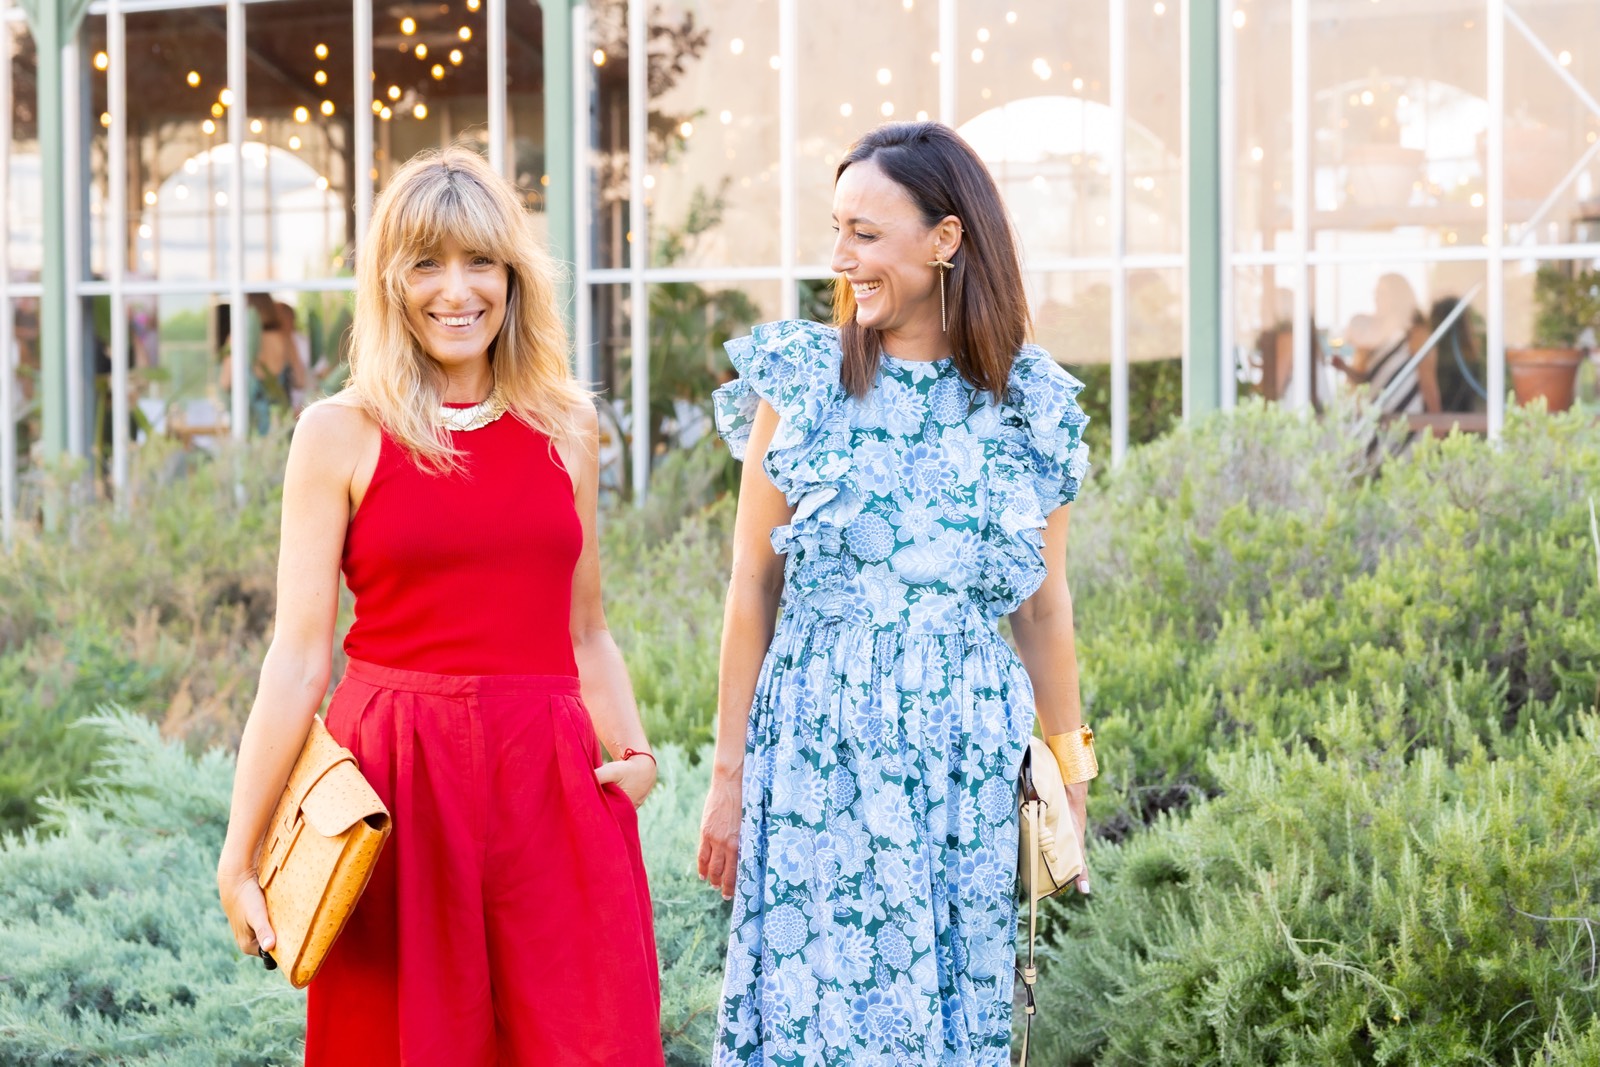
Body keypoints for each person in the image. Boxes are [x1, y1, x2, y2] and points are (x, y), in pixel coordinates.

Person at [215, 147, 665, 1066]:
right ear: (390, 281)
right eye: (426, 263)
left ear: (514, 276)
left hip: (551, 784)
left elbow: (586, 629)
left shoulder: (566, 425)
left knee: (588, 1040)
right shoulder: (337, 431)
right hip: (398, 785)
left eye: (480, 262)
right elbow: (297, 657)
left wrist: (639, 751)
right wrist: (242, 846)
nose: (456, 291)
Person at [698, 121, 1097, 1065]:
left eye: (865, 235)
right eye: (838, 230)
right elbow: (752, 584)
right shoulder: (803, 380)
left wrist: (1072, 777)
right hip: (817, 753)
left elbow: (1043, 607)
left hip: (966, 762)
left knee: (948, 1027)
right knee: (816, 1022)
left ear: (946, 241)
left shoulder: (1027, 403)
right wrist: (727, 774)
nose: (841, 258)